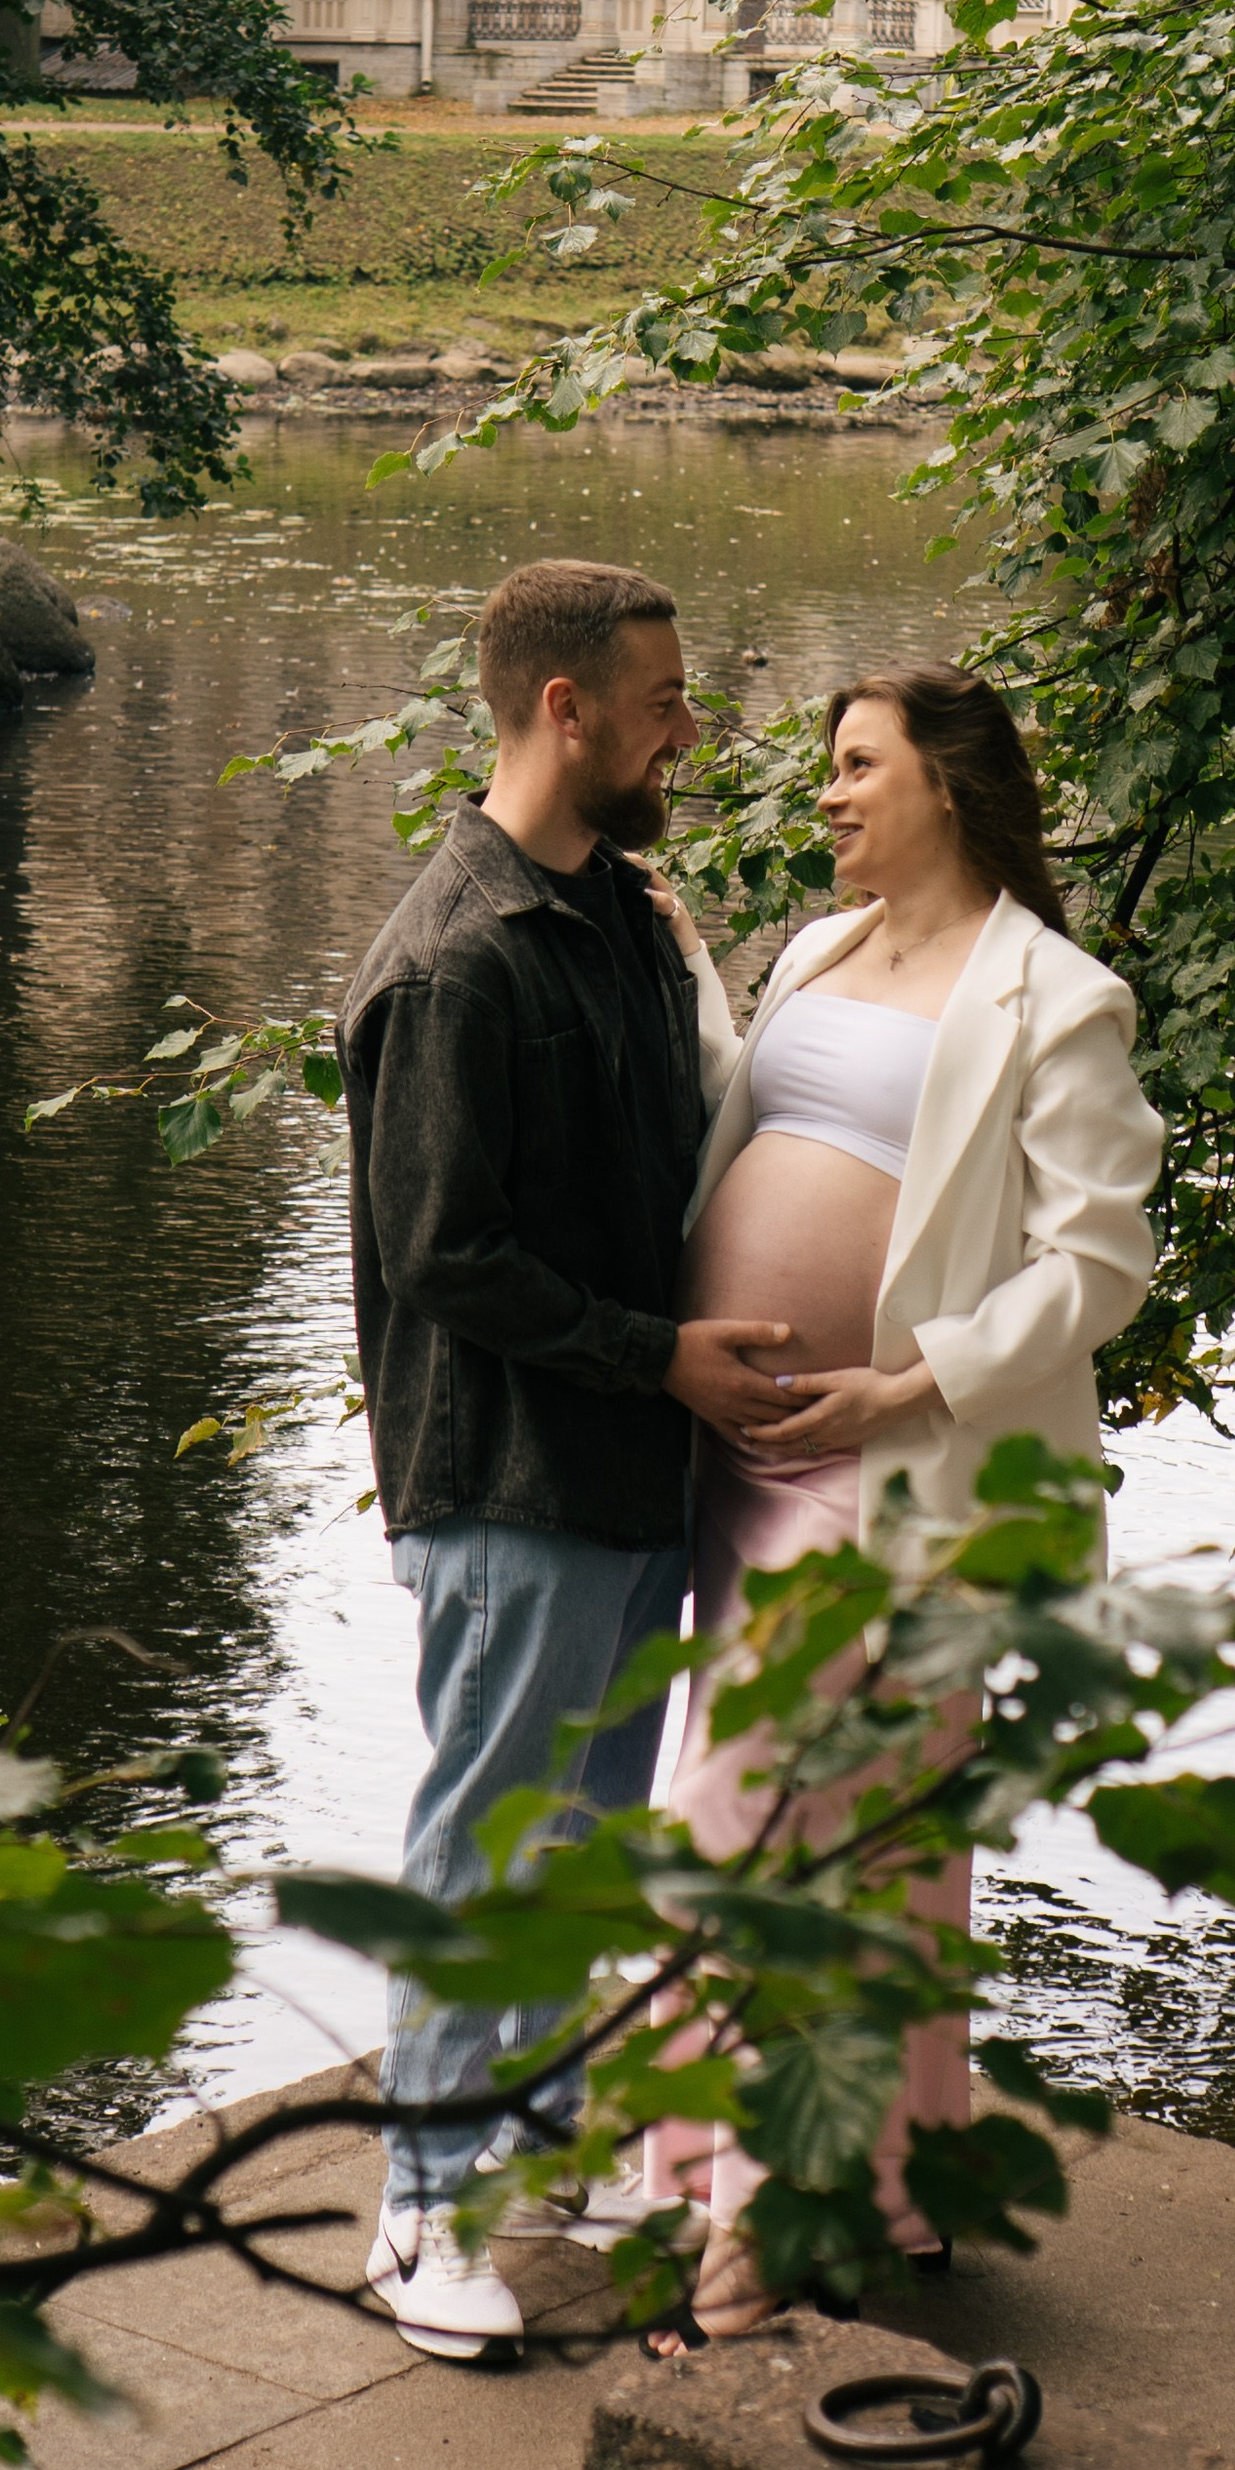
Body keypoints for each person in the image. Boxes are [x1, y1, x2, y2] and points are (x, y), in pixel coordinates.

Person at [641, 660, 1165, 2339]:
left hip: (891, 1462)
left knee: (754, 1816)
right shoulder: (815, 949)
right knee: (877, 1842)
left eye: (859, 766)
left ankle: (743, 2223)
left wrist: (913, 1375)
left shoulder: (1057, 996)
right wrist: (674, 967)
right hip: (743, 1454)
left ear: (948, 780)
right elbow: (769, 1111)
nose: (831, 795)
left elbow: (1102, 1261)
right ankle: (888, 2185)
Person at [337, 556, 790, 2365]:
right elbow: (447, 1252)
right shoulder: (454, 957)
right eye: (666, 701)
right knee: (485, 1842)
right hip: (513, 1475)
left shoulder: (613, 907)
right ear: (564, 709)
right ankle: (413, 2215)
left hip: (625, 1475)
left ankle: (526, 2131)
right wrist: (658, 1355)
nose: (692, 728)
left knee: (588, 1834)